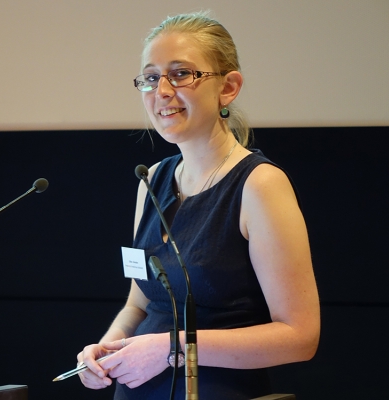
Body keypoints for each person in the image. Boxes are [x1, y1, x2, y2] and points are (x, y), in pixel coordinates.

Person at [77, 11, 320, 400]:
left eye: (181, 74)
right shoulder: (151, 180)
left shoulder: (260, 185)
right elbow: (139, 304)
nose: (162, 91)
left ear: (229, 87)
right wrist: (106, 348)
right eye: (151, 78)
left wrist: (172, 347)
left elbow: (300, 337)